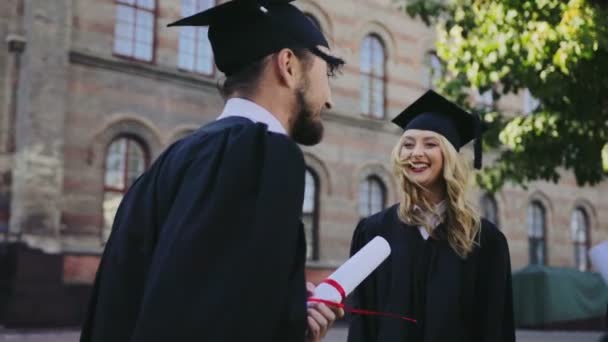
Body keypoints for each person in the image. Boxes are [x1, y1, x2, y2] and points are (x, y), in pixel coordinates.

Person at [80, 1, 345, 341]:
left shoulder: (175, 159)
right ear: (289, 66)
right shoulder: (261, 155)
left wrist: (287, 313)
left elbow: (189, 303)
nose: (330, 100)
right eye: (328, 72)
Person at [347, 90, 515, 342]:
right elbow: (361, 327)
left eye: (430, 144)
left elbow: (495, 329)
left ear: (449, 156)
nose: (416, 153)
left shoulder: (485, 241)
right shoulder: (373, 233)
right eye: (408, 144)